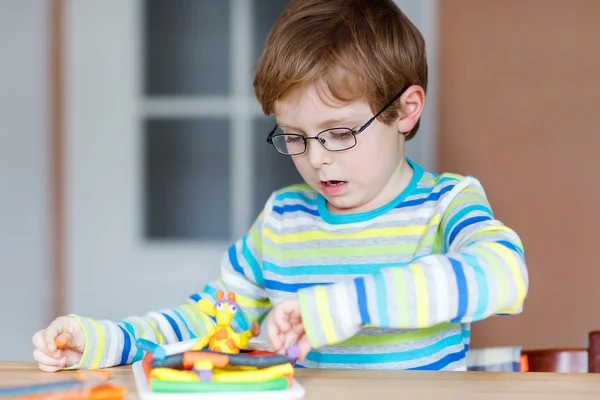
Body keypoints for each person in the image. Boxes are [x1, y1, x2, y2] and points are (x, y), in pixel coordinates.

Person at [32, 0, 528, 372]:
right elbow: (208, 319)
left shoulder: (445, 204)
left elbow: (503, 275)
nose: (316, 158)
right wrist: (105, 342)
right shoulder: (283, 219)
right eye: (295, 137)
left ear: (405, 109)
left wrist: (344, 306)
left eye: (339, 133)